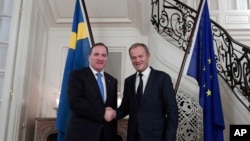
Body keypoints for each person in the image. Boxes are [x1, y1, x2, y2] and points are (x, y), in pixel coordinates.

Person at [117, 43, 178, 141]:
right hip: (133, 136)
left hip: (156, 137)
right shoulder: (129, 81)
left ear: (148, 56)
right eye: (133, 57)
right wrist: (109, 113)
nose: (137, 60)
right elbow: (125, 108)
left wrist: (170, 138)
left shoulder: (162, 78)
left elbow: (172, 111)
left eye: (140, 56)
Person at [64, 42, 117, 141]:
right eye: (96, 54)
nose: (100, 58)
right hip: (81, 134)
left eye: (103, 55)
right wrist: (102, 112)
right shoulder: (77, 75)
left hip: (105, 135)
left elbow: (111, 108)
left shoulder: (112, 81)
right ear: (89, 57)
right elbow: (75, 102)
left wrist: (113, 112)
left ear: (107, 58)